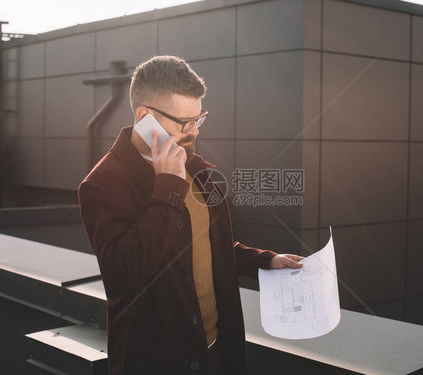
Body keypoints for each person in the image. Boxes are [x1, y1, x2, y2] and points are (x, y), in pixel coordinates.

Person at [78, 55, 304, 375]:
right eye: (184, 122)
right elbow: (124, 274)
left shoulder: (192, 164)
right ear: (144, 116)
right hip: (158, 363)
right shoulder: (104, 183)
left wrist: (263, 260)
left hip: (215, 353)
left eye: (199, 118)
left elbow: (200, 245)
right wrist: (168, 186)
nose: (193, 131)